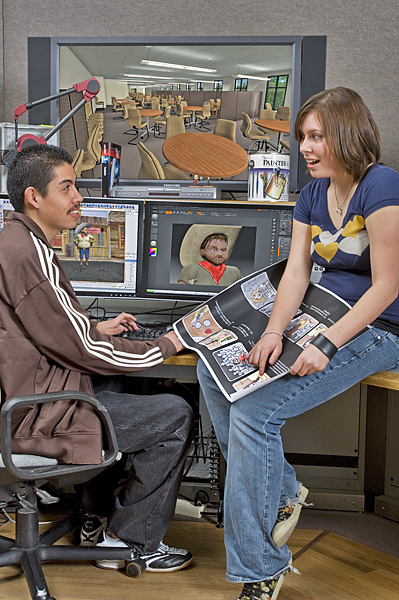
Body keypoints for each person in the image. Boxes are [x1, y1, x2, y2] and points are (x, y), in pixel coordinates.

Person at [197, 86, 399, 600]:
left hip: (376, 328)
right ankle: (284, 492)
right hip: (319, 314)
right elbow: (296, 273)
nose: (305, 148)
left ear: (347, 134)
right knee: (214, 371)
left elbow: (387, 284)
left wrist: (328, 343)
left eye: (316, 137)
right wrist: (272, 331)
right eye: (302, 138)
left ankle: (260, 569)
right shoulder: (313, 193)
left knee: (254, 413)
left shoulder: (381, 186)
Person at [1, 144, 194, 574]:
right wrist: (169, 343)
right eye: (66, 187)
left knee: (121, 385)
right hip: (32, 413)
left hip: (25, 394)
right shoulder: (28, 254)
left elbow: (49, 331)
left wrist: (92, 329)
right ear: (34, 197)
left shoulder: (17, 241)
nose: (78, 198)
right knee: (176, 413)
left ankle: (96, 520)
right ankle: (130, 544)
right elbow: (82, 350)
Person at [178, 224, 242, 286]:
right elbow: (181, 291)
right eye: (214, 250)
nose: (219, 254)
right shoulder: (192, 270)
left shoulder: (234, 272)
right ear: (202, 251)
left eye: (223, 250)